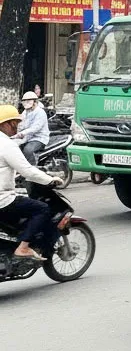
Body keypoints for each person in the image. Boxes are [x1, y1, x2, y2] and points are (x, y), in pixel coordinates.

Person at [0, 104, 66, 262]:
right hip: (3, 200)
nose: (17, 126)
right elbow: (27, 171)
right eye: (14, 123)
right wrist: (50, 179)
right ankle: (23, 247)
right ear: (4, 125)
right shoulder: (7, 145)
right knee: (42, 208)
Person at [16, 91, 49, 167]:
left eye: (29, 101)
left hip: (39, 138)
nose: (26, 103)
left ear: (35, 101)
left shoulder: (40, 112)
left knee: (28, 150)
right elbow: (21, 123)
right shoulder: (25, 112)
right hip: (27, 137)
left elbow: (36, 128)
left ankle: (32, 169)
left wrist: (23, 133)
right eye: (25, 101)